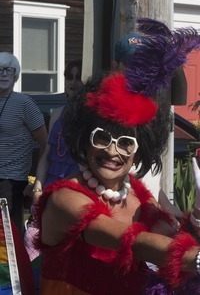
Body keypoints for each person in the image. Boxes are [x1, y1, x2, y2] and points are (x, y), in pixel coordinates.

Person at [34, 19, 200, 294]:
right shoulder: (65, 198)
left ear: (138, 151)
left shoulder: (136, 194)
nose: (112, 151)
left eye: (125, 143)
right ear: (84, 140)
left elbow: (176, 238)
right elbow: (131, 240)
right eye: (101, 138)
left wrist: (197, 214)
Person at [112, 30, 184, 222]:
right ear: (116, 67)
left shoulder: (153, 111)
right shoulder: (107, 113)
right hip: (122, 220)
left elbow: (148, 177)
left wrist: (169, 208)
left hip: (148, 217)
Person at [0, 52, 47, 236]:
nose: (3, 74)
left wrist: (34, 182)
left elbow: (45, 144)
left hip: (11, 182)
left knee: (7, 236)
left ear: (15, 75)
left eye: (8, 70)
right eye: (0, 69)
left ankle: (15, 266)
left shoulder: (25, 103)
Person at [32, 59, 83, 204]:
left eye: (78, 78)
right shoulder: (56, 114)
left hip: (76, 189)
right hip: (51, 186)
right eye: (69, 77)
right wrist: (37, 187)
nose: (72, 82)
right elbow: (47, 154)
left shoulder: (91, 116)